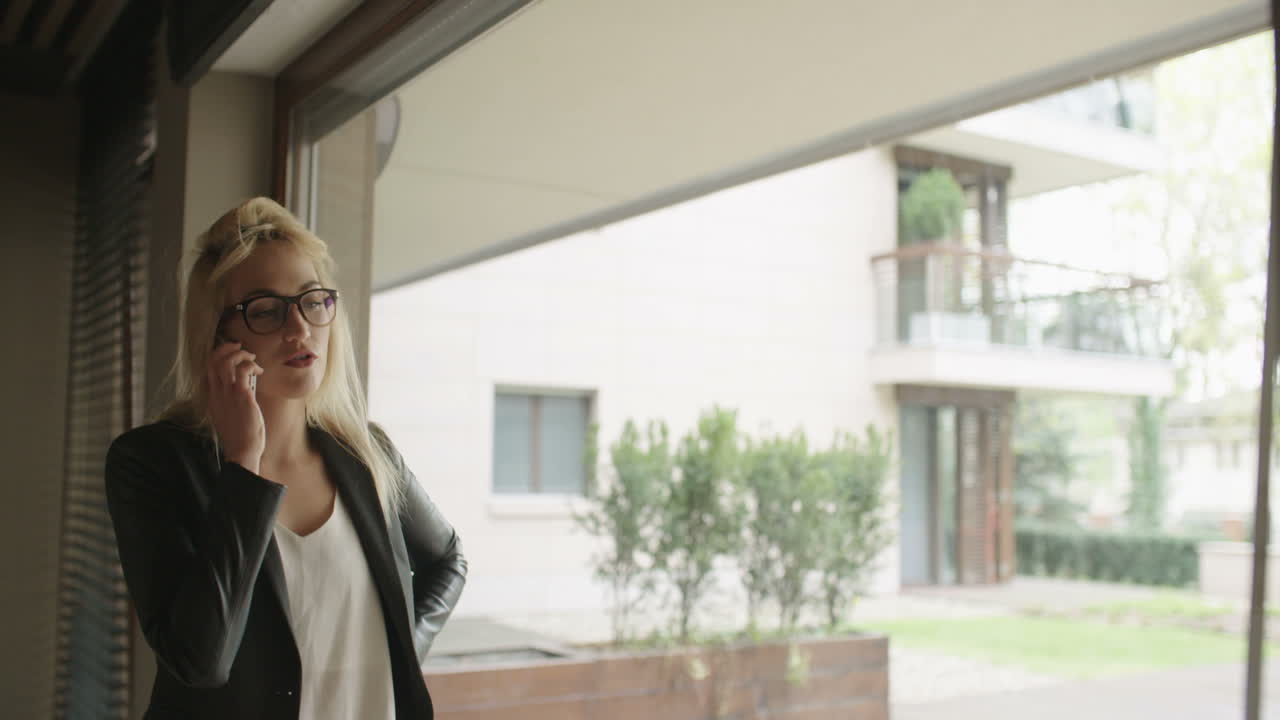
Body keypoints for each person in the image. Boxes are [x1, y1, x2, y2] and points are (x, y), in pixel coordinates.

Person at [104, 197, 466, 719]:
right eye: (267, 310)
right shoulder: (151, 464)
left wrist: (396, 650)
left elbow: (448, 560)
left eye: (311, 301)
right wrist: (243, 465)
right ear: (219, 336)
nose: (299, 329)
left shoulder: (368, 455)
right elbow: (200, 661)